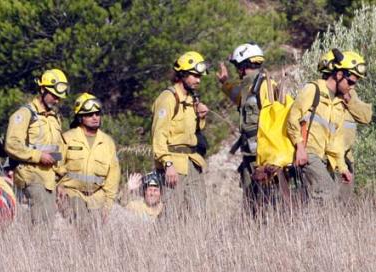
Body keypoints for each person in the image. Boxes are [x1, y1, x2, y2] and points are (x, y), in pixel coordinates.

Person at [287, 50, 366, 205]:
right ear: (338, 75)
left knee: (325, 198)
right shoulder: (313, 89)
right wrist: (300, 147)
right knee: (327, 191)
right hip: (309, 153)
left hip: (324, 158)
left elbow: (334, 142)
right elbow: (292, 117)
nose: (352, 87)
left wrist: (342, 168)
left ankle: (311, 228)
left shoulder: (338, 102)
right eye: (350, 82)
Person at [216, 42, 277, 216]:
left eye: (237, 66)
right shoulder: (249, 85)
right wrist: (225, 83)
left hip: (263, 159)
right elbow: (240, 99)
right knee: (252, 206)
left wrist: (269, 160)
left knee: (266, 205)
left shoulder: (266, 85)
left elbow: (275, 120)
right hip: (250, 158)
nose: (237, 70)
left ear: (243, 65)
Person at [5, 68, 68, 225]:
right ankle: (37, 248)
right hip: (30, 175)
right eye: (54, 95)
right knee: (41, 220)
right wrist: (39, 156)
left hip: (49, 178)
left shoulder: (54, 118)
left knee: (48, 221)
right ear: (42, 89)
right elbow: (11, 144)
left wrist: (62, 176)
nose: (57, 100)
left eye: (59, 97)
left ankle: (41, 249)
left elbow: (58, 150)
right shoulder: (25, 114)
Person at [151, 51, 209, 220]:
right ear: (182, 74)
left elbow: (193, 132)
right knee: (171, 214)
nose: (198, 80)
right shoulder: (168, 98)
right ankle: (159, 244)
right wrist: (167, 164)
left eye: (200, 76)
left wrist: (202, 118)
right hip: (174, 163)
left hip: (192, 161)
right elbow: (158, 134)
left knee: (199, 213)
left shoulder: (192, 98)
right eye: (194, 75)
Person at [318, 50, 372, 203]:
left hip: (345, 159)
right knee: (323, 201)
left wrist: (348, 98)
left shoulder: (349, 94)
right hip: (324, 158)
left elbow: (366, 116)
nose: (352, 85)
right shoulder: (318, 93)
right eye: (351, 81)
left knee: (344, 204)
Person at [58, 93, 120, 225]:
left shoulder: (108, 142)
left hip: (97, 198)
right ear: (80, 117)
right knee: (84, 223)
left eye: (97, 114)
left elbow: (112, 178)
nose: (95, 117)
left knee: (98, 234)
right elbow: (54, 167)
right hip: (72, 193)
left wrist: (107, 206)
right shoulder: (67, 139)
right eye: (89, 114)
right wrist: (58, 187)